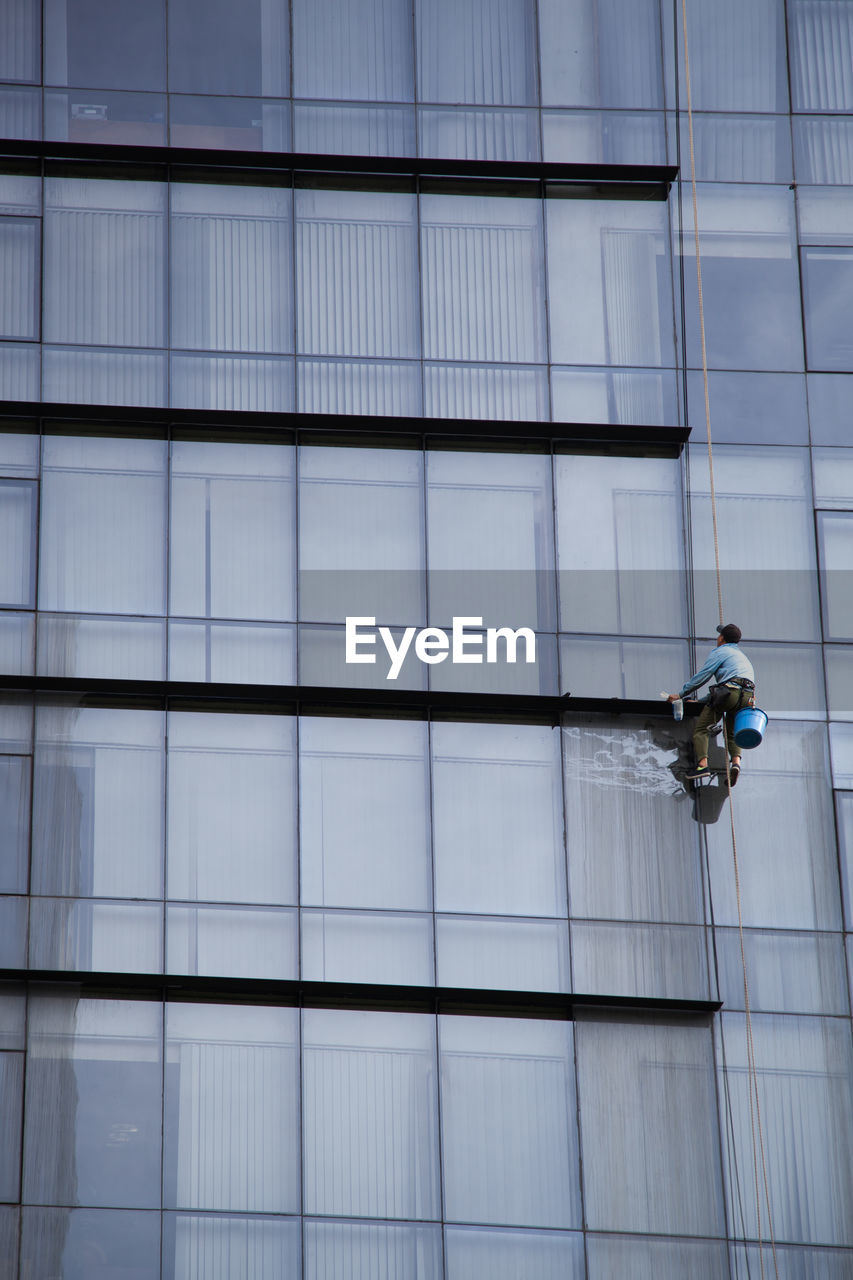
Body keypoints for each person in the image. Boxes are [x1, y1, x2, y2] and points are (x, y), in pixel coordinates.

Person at [668, 623, 755, 785]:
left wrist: (680, 694)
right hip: (747, 696)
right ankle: (736, 762)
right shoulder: (742, 657)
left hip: (729, 693)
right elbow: (728, 689)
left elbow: (703, 676)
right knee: (732, 733)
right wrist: (700, 702)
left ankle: (702, 766)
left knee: (701, 730)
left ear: (721, 638)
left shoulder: (721, 652)